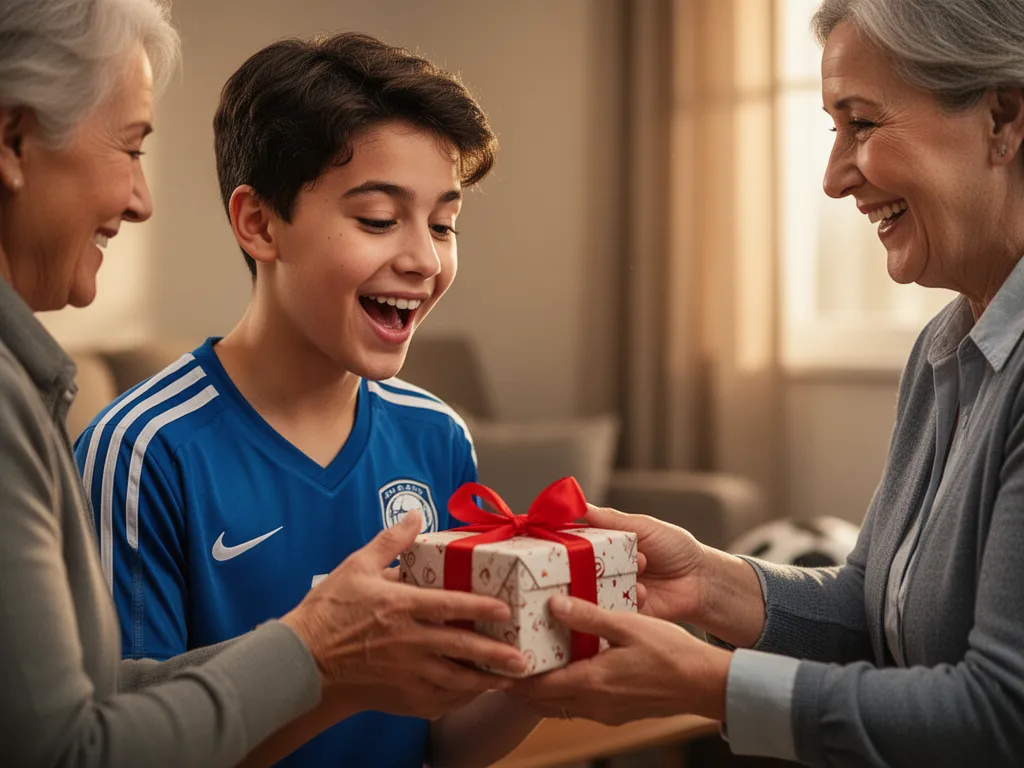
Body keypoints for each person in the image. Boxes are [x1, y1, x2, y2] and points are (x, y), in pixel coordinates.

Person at [0, 2, 529, 766]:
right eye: (379, 218)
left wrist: (541, 676)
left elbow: (439, 733)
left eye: (443, 224)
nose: (423, 258)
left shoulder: (438, 436)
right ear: (258, 224)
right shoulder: (141, 449)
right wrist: (323, 661)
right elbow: (125, 737)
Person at [511, 0, 1024, 765]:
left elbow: (998, 717)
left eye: (863, 124)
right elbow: (867, 613)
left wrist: (707, 683)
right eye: (833, 130)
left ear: (1004, 119)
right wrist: (706, 579)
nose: (832, 177)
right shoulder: (945, 349)